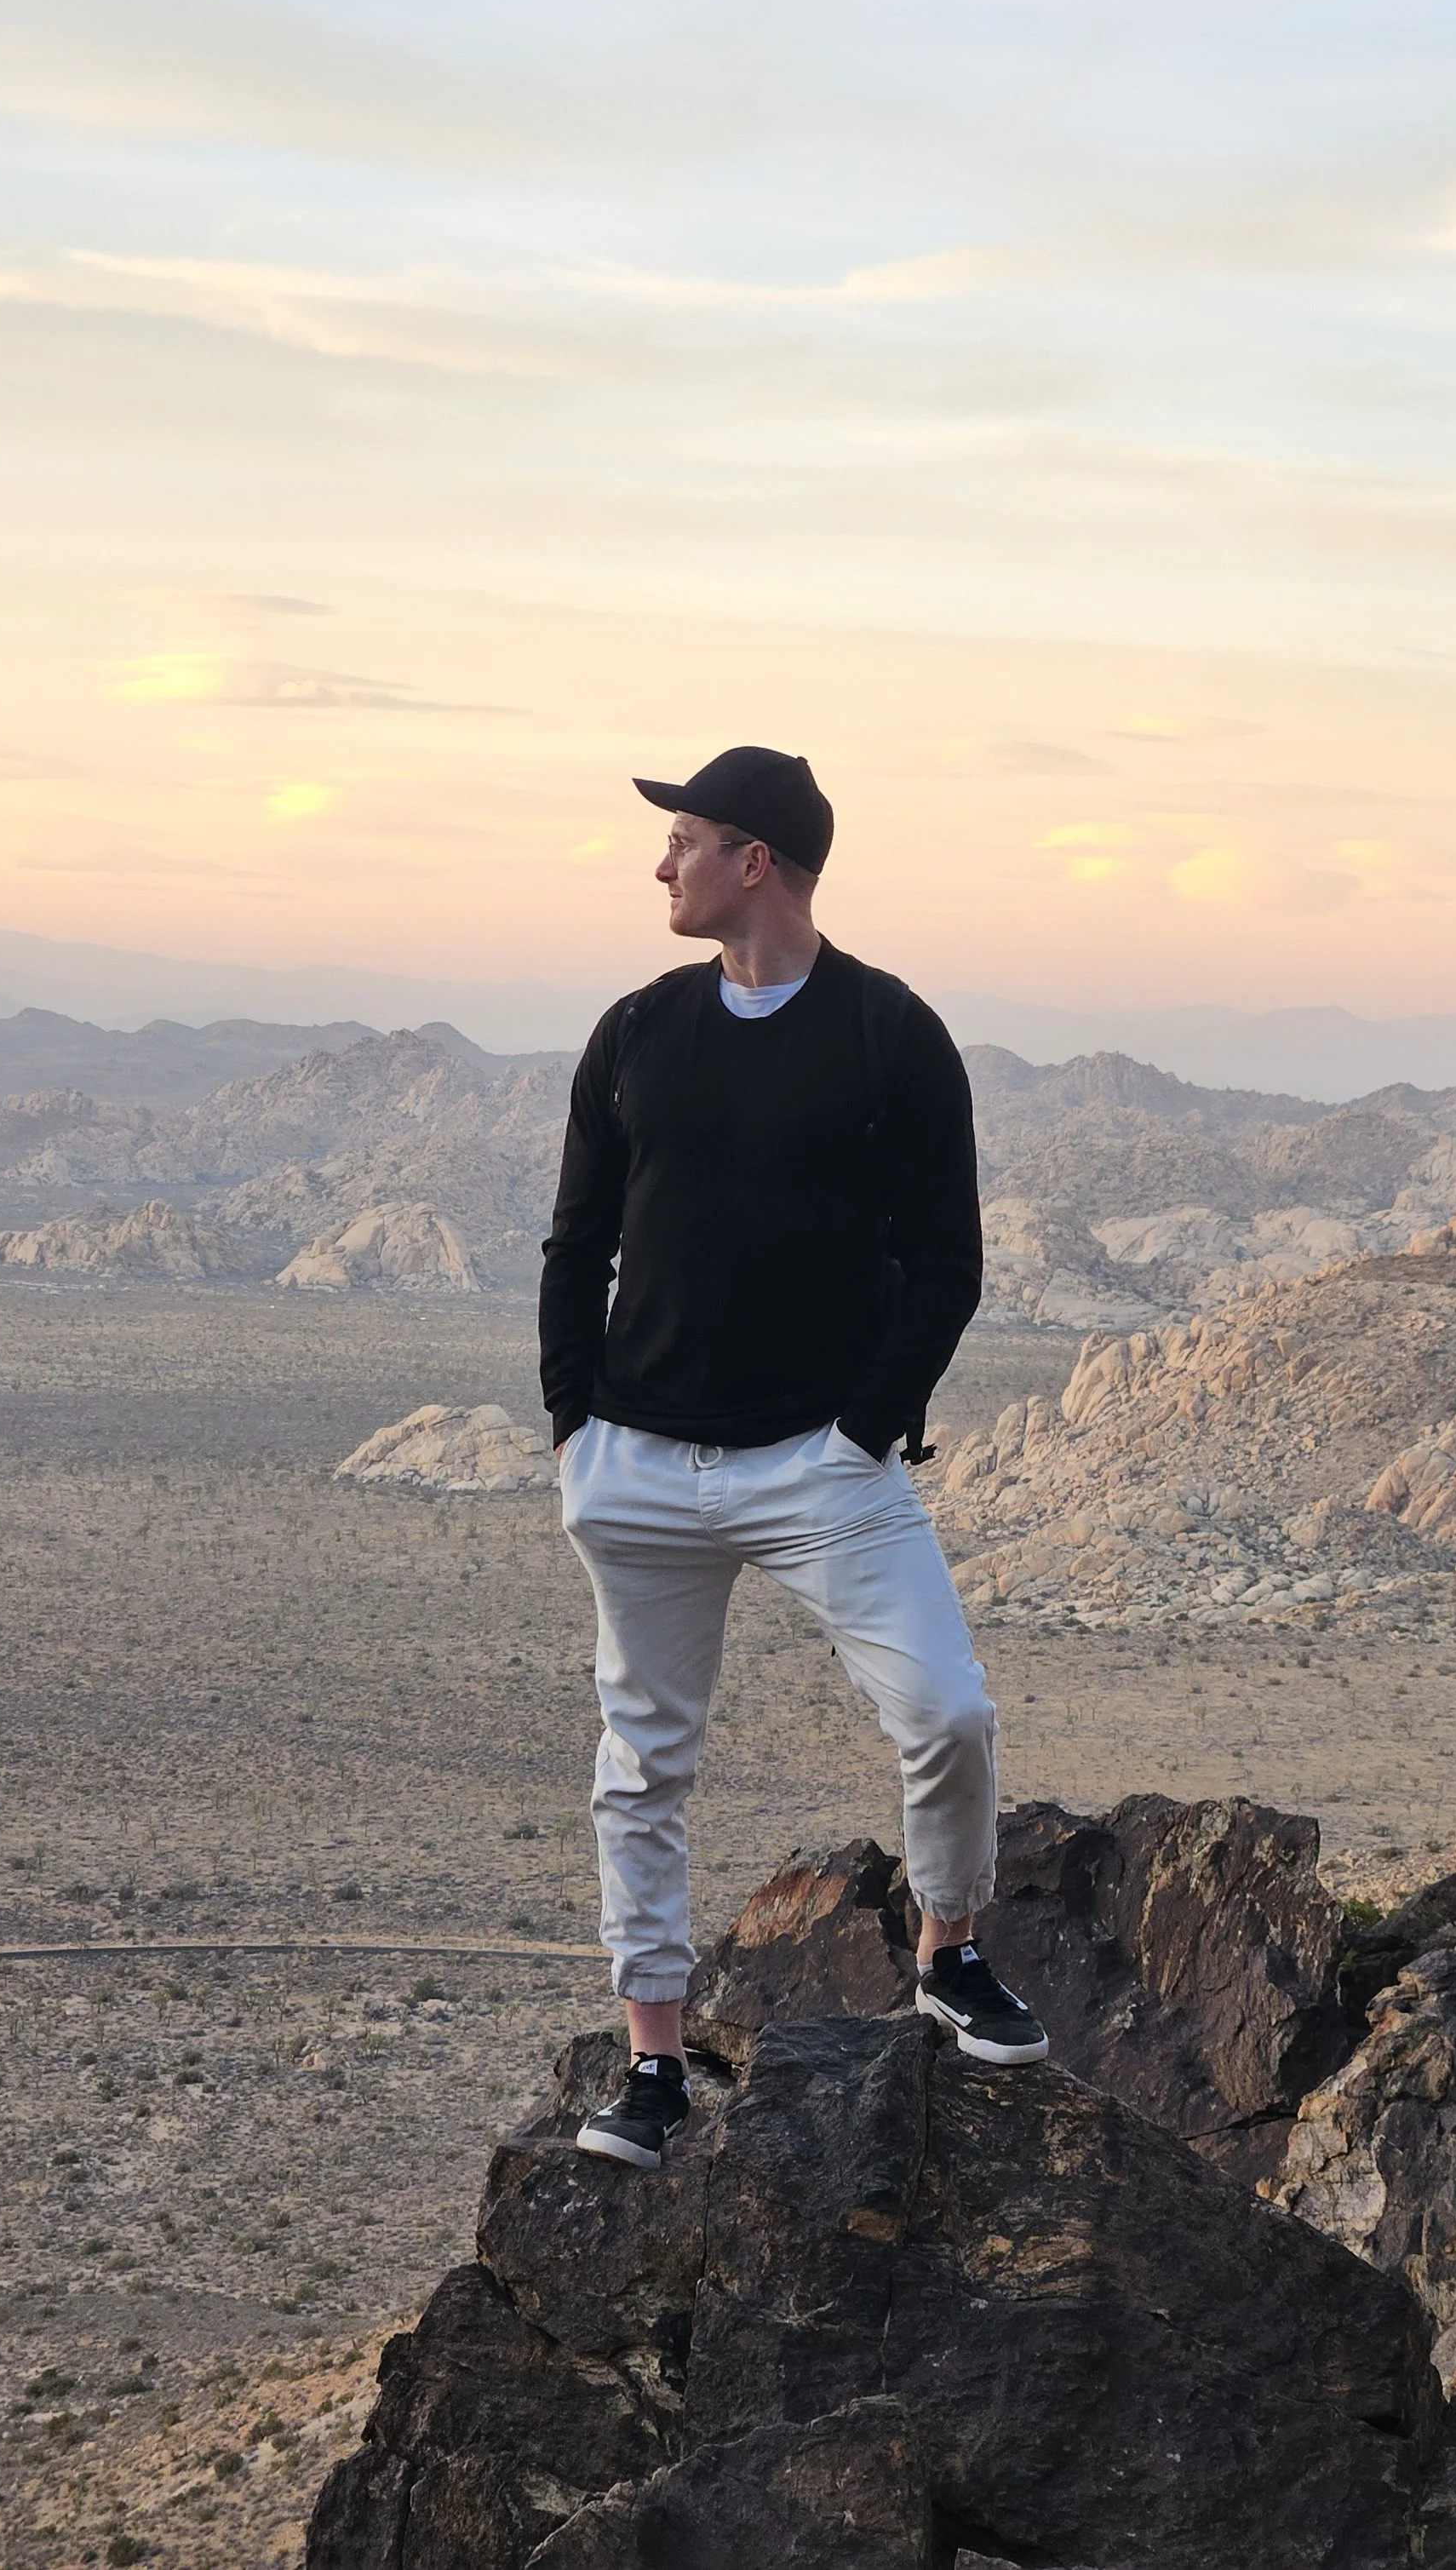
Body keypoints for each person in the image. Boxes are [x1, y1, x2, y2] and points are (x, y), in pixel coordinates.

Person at [540, 743, 1047, 2169]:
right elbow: (580, 1243)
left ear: (753, 861)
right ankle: (652, 2066)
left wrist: (861, 1436)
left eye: (685, 841)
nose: (662, 866)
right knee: (643, 1767)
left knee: (947, 1712)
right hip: (638, 1463)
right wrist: (574, 1426)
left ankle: (949, 1951)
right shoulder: (636, 1032)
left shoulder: (890, 1035)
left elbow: (948, 1261)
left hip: (822, 1471)